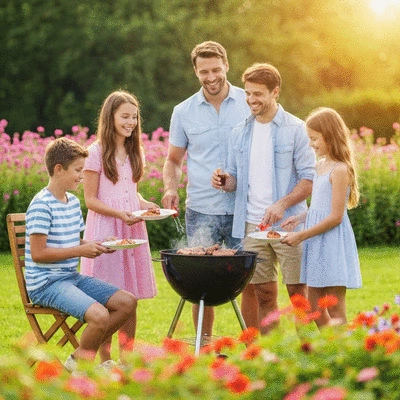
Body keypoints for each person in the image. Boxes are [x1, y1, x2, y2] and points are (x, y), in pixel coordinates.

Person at [212, 63, 315, 334]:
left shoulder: (296, 129)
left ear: (275, 92)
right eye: (247, 93)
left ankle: (309, 356)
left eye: (257, 94)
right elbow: (234, 179)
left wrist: (282, 204)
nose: (251, 100)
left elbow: (309, 179)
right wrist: (224, 182)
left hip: (289, 225)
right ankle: (272, 356)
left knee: (298, 294)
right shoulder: (239, 132)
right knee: (264, 295)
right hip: (251, 226)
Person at [162, 41, 250, 338]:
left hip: (245, 208)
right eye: (203, 72)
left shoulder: (249, 103)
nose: (210, 77)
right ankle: (204, 348)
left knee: (254, 282)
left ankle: (256, 349)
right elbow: (173, 160)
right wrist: (170, 188)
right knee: (200, 286)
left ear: (227, 65)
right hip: (201, 209)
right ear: (195, 72)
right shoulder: (183, 111)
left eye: (215, 69)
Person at [25, 137, 137, 372]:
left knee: (127, 302)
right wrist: (80, 250)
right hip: (46, 283)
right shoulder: (41, 205)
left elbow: (74, 241)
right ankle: (81, 371)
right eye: (77, 170)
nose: (81, 176)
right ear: (58, 169)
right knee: (99, 316)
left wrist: (96, 244)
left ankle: (76, 359)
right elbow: (38, 253)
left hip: (69, 277)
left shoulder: (72, 202)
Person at [80, 90, 158, 363]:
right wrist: (120, 214)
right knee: (109, 297)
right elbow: (90, 200)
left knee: (130, 297)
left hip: (131, 230)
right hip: (107, 230)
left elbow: (130, 193)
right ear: (110, 116)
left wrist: (147, 205)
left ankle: (126, 362)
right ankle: (104, 361)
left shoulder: (135, 150)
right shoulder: (95, 152)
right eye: (124, 116)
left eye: (134, 117)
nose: (131, 122)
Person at [281, 107, 362, 328]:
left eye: (314, 139)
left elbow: (335, 216)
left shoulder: (340, 170)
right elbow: (319, 208)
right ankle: (331, 348)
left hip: (332, 243)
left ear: (330, 135)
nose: (311, 144)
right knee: (314, 307)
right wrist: (299, 218)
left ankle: (344, 355)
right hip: (316, 243)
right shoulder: (319, 167)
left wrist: (301, 235)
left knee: (335, 307)